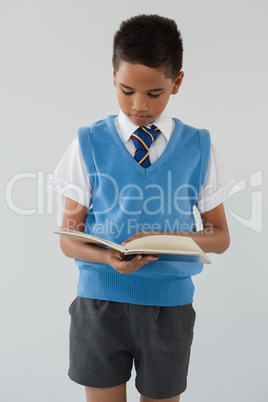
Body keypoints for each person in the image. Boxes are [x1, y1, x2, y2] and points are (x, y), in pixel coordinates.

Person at [47, 14, 236, 402]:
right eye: (126, 90)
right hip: (99, 304)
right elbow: (68, 239)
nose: (138, 106)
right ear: (112, 76)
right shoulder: (88, 143)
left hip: (169, 310)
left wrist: (168, 240)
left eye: (154, 94)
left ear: (177, 83)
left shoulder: (198, 146)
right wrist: (110, 259)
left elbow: (220, 237)